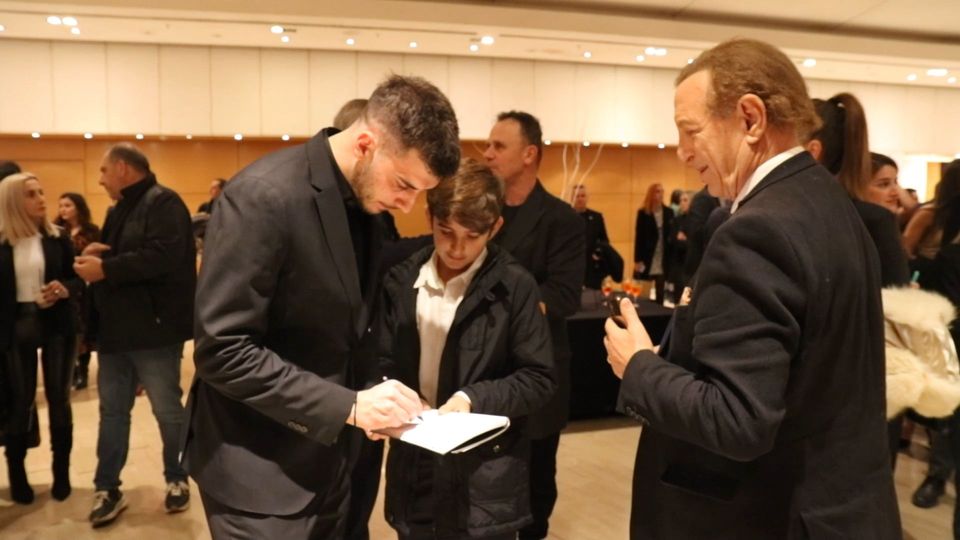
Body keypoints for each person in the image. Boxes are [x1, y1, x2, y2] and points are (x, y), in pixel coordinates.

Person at [604, 38, 900, 539]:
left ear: (751, 118)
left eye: (690, 131)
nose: (682, 152)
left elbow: (738, 419)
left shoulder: (757, 229)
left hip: (769, 516)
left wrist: (639, 367)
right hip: (839, 509)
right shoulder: (829, 203)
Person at [183, 74, 460, 539]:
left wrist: (382, 398)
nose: (408, 205)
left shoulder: (367, 201)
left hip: (338, 466)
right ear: (366, 144)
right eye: (404, 184)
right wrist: (348, 405)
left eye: (419, 192)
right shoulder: (263, 196)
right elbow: (222, 351)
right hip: (260, 475)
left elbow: (346, 331)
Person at [379, 158, 556, 539]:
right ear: (429, 218)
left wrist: (471, 398)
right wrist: (386, 394)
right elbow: (381, 359)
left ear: (495, 228)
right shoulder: (402, 279)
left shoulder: (515, 287)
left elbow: (538, 378)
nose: (457, 249)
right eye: (446, 232)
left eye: (472, 236)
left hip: (485, 481)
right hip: (415, 468)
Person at [73, 143, 196, 527]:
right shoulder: (118, 209)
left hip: (154, 332)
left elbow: (163, 257)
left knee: (167, 411)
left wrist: (106, 268)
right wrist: (102, 254)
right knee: (112, 413)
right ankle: (107, 487)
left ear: (123, 169)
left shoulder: (164, 203)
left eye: (104, 171)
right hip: (115, 333)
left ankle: (178, 478)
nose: (100, 180)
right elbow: (129, 255)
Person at [483, 110, 584, 540]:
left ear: (529, 155)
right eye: (488, 145)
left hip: (538, 369)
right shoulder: (482, 213)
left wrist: (499, 305)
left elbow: (563, 296)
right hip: (485, 369)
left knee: (536, 482)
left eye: (498, 146)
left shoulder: (562, 220)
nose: (487, 154)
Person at [0, 173, 79, 504]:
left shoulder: (58, 237)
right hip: (15, 326)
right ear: (13, 201)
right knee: (20, 401)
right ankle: (17, 474)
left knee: (59, 398)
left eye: (41, 191)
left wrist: (63, 288)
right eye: (31, 194)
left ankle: (62, 473)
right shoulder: (3, 242)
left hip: (57, 323)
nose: (41, 199)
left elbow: (76, 279)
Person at [54, 192, 100, 390]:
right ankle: (71, 371)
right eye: (61, 205)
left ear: (78, 208)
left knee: (85, 328)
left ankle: (83, 370)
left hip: (87, 287)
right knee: (69, 329)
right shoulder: (55, 230)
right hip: (66, 284)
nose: (63, 209)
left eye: (68, 205)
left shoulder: (91, 231)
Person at [571, 184, 620, 289]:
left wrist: (598, 253)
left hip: (592, 267)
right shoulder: (566, 216)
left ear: (587, 198)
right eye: (577, 196)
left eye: (582, 196)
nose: (580, 199)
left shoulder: (597, 217)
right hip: (572, 265)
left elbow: (604, 240)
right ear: (572, 198)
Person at [633, 182, 675, 304]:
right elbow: (639, 237)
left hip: (662, 255)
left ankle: (659, 312)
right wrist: (637, 260)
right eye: (657, 191)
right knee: (644, 292)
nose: (660, 194)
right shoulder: (643, 213)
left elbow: (672, 233)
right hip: (647, 256)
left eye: (662, 192)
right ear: (651, 194)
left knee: (660, 290)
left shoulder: (669, 212)